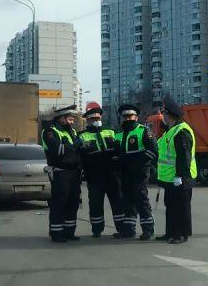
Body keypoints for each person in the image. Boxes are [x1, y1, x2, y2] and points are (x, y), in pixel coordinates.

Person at [79, 102, 126, 238]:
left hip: (112, 174)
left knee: (118, 202)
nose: (96, 121)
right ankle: (97, 229)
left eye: (98, 119)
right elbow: (82, 157)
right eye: (93, 119)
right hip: (94, 176)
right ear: (87, 120)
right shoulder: (82, 136)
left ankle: (121, 228)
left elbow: (119, 150)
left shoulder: (111, 132)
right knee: (95, 203)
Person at [156, 95, 196, 244]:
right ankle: (170, 232)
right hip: (171, 178)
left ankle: (181, 234)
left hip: (182, 177)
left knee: (182, 207)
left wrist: (180, 175)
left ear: (169, 114)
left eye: (164, 114)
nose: (163, 117)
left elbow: (183, 156)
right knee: (171, 206)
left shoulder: (181, 131)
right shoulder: (171, 130)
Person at [114, 103, 158, 240]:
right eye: (125, 116)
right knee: (127, 202)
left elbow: (153, 151)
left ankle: (148, 230)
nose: (128, 119)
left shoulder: (144, 131)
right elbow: (116, 155)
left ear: (136, 117)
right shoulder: (118, 135)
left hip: (139, 173)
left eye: (130, 116)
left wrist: (137, 163)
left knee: (141, 201)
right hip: (125, 174)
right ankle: (128, 230)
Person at [41, 105, 83, 243]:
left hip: (74, 173)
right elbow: (58, 150)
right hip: (60, 172)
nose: (72, 122)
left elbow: (75, 151)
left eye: (72, 120)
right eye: (69, 119)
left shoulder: (71, 132)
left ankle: (69, 232)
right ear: (61, 119)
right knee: (60, 203)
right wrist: (76, 144)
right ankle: (57, 233)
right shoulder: (49, 132)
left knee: (73, 203)